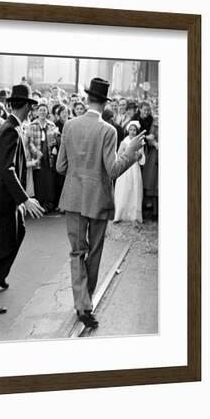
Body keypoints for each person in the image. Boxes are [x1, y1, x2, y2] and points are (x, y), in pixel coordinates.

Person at [56, 77, 146, 329]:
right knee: (93, 253)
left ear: (87, 99)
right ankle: (87, 304)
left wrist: (78, 174)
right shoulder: (108, 130)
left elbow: (60, 166)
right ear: (105, 103)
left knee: (76, 252)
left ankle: (81, 304)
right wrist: (132, 152)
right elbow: (114, 169)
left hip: (73, 198)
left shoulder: (70, 125)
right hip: (98, 200)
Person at [0, 84, 44, 314]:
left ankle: (0, 276)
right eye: (31, 106)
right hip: (6, 199)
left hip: (7, 199)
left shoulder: (13, 127)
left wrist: (21, 200)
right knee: (5, 247)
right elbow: (8, 170)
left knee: (17, 235)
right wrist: (25, 199)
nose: (32, 110)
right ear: (25, 106)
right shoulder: (11, 130)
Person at [27, 103, 59, 213]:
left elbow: (55, 140)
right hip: (38, 156)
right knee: (39, 180)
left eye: (44, 110)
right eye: (40, 110)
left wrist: (54, 146)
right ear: (37, 112)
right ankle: (39, 203)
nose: (42, 112)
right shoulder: (32, 125)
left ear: (47, 112)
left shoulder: (52, 125)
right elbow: (29, 143)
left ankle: (49, 203)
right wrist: (36, 152)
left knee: (49, 180)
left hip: (49, 155)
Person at [113, 121, 146, 223]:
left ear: (137, 131)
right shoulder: (124, 142)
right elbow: (118, 156)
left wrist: (139, 155)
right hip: (125, 168)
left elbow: (141, 157)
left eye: (134, 130)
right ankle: (119, 214)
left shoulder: (139, 142)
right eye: (131, 130)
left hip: (134, 168)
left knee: (134, 189)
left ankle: (134, 215)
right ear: (128, 130)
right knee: (123, 189)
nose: (132, 132)